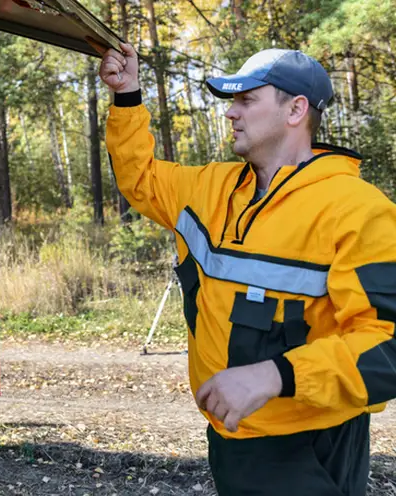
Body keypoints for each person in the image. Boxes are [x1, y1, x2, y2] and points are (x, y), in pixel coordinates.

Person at [99, 43, 396, 495]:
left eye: (246, 100)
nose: (231, 113)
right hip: (232, 438)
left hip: (312, 444)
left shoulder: (357, 210)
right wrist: (127, 96)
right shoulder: (209, 189)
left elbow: (387, 348)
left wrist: (275, 375)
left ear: (296, 109)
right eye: (232, 102)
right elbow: (140, 178)